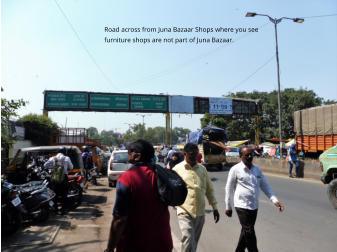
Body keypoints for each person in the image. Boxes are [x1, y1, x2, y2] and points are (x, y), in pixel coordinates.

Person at [105, 139, 173, 252]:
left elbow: (120, 219)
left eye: (129, 152)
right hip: (163, 242)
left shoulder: (127, 178)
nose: (128, 154)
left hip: (134, 245)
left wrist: (109, 249)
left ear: (137, 156)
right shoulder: (162, 174)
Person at [225, 146, 284, 252]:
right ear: (240, 156)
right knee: (249, 231)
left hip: (254, 206)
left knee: (246, 231)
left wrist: (274, 200)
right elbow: (228, 188)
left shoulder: (257, 169)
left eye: (251, 154)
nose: (249, 156)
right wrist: (228, 206)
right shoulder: (235, 169)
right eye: (246, 155)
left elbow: (265, 185)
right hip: (241, 205)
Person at [173, 143, 220, 252]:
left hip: (200, 212)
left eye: (196, 155)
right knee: (188, 237)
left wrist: (215, 207)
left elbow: (209, 190)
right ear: (184, 154)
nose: (194, 158)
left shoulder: (202, 169)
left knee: (194, 241)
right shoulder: (177, 169)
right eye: (191, 156)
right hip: (184, 210)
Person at [44, 147, 73, 214]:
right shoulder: (67, 158)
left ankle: (55, 210)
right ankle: (63, 210)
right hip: (64, 178)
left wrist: (51, 168)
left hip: (55, 178)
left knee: (54, 194)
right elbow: (71, 167)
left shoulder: (52, 158)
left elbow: (45, 165)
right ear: (64, 152)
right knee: (64, 194)